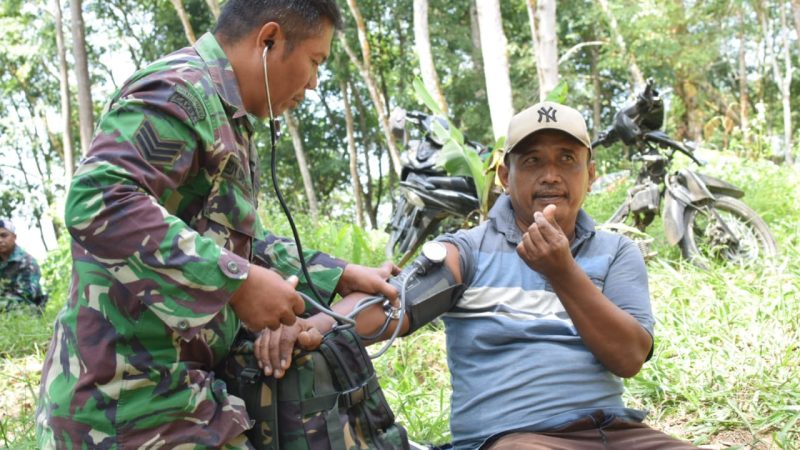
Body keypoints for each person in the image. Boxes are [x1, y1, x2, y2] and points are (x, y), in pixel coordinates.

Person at [35, 1, 398, 448]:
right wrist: (237, 285)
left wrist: (337, 274)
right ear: (269, 40)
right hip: (124, 407)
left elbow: (244, 245)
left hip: (187, 399)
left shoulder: (227, 119)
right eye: (314, 62)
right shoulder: (178, 91)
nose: (313, 83)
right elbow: (98, 200)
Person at [258, 102, 699, 449]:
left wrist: (563, 273)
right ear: (506, 175)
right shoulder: (467, 251)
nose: (551, 175)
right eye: (532, 161)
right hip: (517, 439)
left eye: (567, 159)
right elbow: (392, 305)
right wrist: (311, 326)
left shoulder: (616, 252)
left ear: (590, 172)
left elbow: (629, 358)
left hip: (617, 435)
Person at [0, 218, 46, 311]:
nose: (0, 240)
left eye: (4, 235)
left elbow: (26, 296)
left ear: (14, 237)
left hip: (24, 310)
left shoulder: (27, 262)